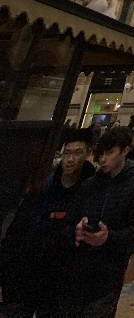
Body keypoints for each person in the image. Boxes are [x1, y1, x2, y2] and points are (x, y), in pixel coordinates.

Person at [0, 129, 96, 315]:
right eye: (67, 152)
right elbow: (17, 232)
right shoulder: (43, 188)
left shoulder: (91, 192)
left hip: (63, 279)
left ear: (88, 154)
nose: (70, 159)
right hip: (29, 272)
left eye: (78, 153)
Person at [70, 125, 134, 315]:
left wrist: (108, 237)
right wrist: (77, 227)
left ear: (125, 151)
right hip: (80, 266)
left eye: (110, 153)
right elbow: (74, 215)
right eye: (101, 153)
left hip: (110, 270)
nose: (103, 159)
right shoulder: (90, 184)